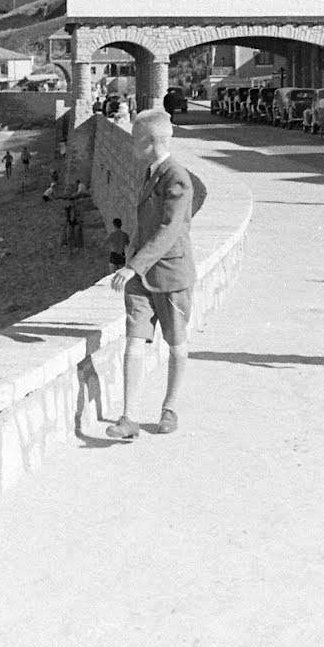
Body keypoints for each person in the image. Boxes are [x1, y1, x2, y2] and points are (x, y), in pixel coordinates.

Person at [107, 108, 197, 440]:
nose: (131, 146)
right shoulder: (152, 172)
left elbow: (169, 230)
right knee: (134, 339)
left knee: (176, 344)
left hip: (171, 274)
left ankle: (169, 408)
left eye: (135, 140)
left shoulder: (177, 177)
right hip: (142, 277)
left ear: (150, 142)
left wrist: (133, 265)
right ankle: (129, 418)